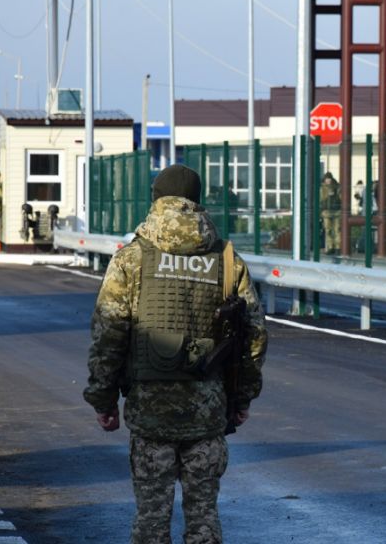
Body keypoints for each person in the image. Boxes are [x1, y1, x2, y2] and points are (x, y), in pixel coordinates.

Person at [83, 164, 267, 544]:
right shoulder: (227, 261)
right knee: (204, 519)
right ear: (198, 201)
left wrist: (103, 399)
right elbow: (253, 335)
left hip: (150, 411)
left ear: (156, 199)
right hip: (207, 411)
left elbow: (109, 333)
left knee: (151, 520)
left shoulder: (131, 260)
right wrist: (243, 398)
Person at [320, 171, 341, 254]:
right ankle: (330, 246)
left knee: (337, 229)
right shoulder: (322, 188)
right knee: (328, 230)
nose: (328, 180)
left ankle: (337, 247)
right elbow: (321, 199)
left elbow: (341, 198)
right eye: (327, 179)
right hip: (326, 211)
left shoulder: (337, 187)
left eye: (329, 179)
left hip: (336, 211)